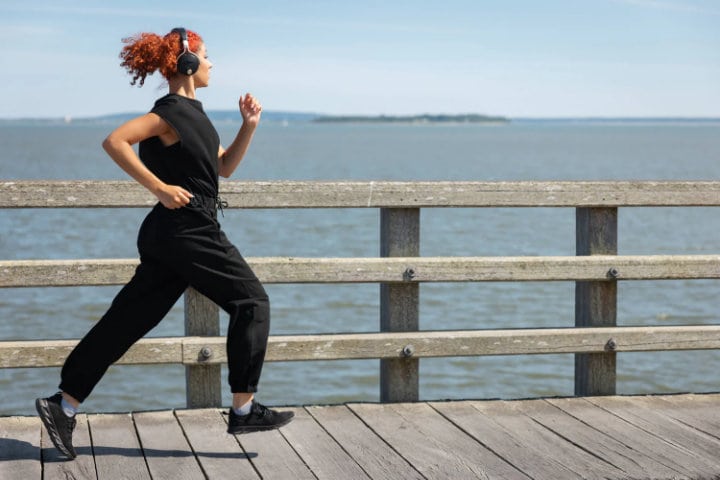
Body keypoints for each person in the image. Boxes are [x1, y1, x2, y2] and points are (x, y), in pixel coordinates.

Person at [35, 27, 293, 459]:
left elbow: (224, 167)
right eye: (208, 56)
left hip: (172, 237)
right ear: (188, 63)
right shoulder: (169, 112)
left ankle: (62, 406)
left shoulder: (197, 116)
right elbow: (114, 140)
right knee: (252, 303)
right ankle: (244, 409)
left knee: (126, 323)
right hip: (187, 230)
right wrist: (159, 188)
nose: (213, 64)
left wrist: (249, 127)